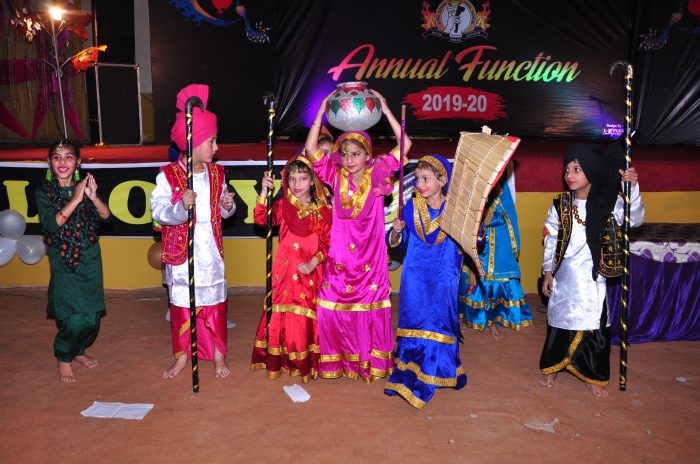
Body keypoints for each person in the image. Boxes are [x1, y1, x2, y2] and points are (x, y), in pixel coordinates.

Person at [304, 91, 412, 382]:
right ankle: (339, 362)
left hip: (370, 259)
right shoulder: (334, 175)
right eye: (344, 154)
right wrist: (320, 113)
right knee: (330, 307)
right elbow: (311, 149)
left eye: (356, 153)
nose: (350, 159)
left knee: (367, 311)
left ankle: (368, 363)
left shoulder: (378, 173)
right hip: (340, 257)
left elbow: (406, 146)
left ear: (368, 155)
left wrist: (386, 110)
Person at [539, 143, 644, 397]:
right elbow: (551, 239)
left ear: (593, 171)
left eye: (577, 169)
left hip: (593, 279)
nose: (569, 175)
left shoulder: (610, 203)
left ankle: (592, 374)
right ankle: (553, 366)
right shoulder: (561, 205)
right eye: (567, 169)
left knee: (594, 324)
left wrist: (632, 187)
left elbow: (635, 219)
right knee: (559, 323)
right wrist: (548, 271)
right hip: (564, 277)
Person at [150, 84, 236, 379]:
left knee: (215, 304)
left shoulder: (217, 173)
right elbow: (158, 212)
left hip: (210, 252)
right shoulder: (168, 175)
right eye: (211, 141)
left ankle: (219, 355)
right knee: (183, 307)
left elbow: (223, 211)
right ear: (194, 142)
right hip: (182, 255)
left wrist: (226, 206)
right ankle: (182, 357)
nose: (216, 147)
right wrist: (179, 207)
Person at [384, 154, 467, 408]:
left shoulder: (455, 210)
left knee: (440, 319)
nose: (419, 183)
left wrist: (478, 231)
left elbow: (471, 241)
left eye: (426, 178)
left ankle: (439, 369)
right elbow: (396, 243)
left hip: (444, 276)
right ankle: (411, 366)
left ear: (442, 180)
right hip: (415, 276)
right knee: (416, 318)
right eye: (418, 178)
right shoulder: (410, 208)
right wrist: (396, 231)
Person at [36, 139, 112, 382]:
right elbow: (51, 225)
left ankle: (78, 350)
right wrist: (76, 200)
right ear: (49, 162)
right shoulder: (44, 192)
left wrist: (93, 197)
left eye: (68, 157)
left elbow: (106, 217)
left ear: (77, 162)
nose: (62, 162)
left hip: (90, 257)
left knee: (92, 317)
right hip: (63, 258)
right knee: (74, 316)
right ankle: (64, 356)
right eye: (57, 157)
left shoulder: (84, 188)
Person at [250, 155, 331, 382]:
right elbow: (261, 220)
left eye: (302, 178)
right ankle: (282, 361)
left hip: (311, 271)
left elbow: (327, 242)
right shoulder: (283, 205)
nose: (297, 184)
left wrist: (313, 263)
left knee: (305, 314)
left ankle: (306, 362)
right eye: (292, 179)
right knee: (283, 313)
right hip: (285, 271)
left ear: (312, 181)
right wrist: (264, 191)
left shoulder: (323, 211)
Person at [458, 174, 533, 339]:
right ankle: (469, 315)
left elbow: (505, 216)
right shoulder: (471, 182)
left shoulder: (500, 187)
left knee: (491, 279)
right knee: (469, 275)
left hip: (495, 241)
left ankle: (491, 320)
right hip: (474, 238)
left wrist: (483, 214)